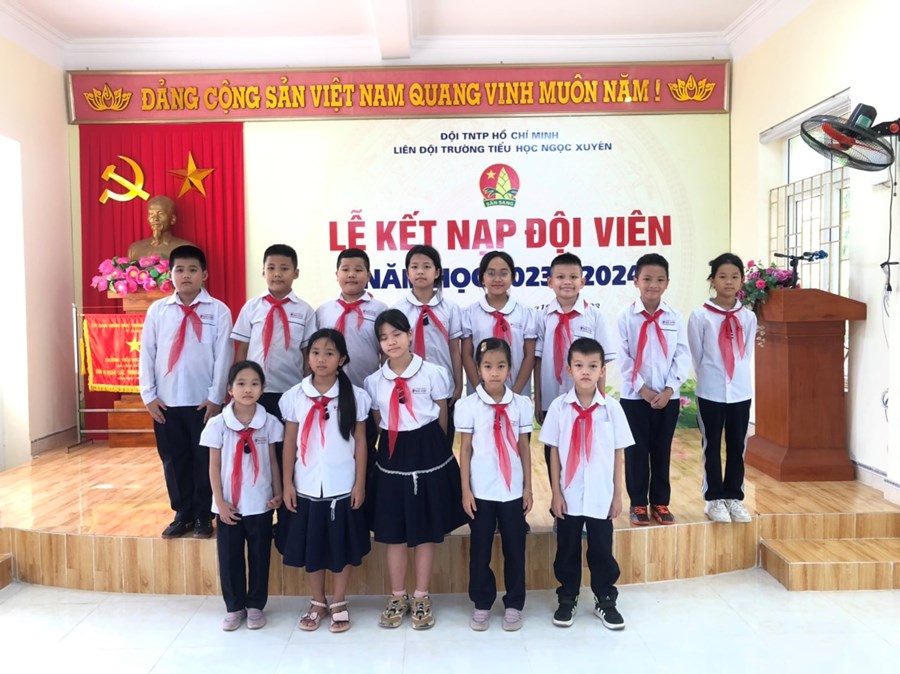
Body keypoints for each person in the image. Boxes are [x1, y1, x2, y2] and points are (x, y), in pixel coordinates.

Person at [364, 309, 467, 630]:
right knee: (393, 532)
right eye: (384, 337)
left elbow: (442, 415)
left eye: (397, 334)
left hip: (429, 451)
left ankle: (421, 595)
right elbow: (379, 420)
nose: (391, 342)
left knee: (424, 529)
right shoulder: (373, 382)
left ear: (409, 335)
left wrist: (435, 447)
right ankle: (398, 596)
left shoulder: (434, 373)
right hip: (393, 453)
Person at [277, 329, 371, 633]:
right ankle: (317, 601)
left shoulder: (356, 397)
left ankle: (339, 601)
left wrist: (359, 484)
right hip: (306, 485)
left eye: (330, 353)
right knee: (313, 547)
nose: (321, 359)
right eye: (315, 352)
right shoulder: (294, 396)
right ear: (307, 357)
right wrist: (287, 484)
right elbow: (289, 442)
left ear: (342, 359)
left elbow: (360, 441)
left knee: (340, 547)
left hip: (341, 485)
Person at [139, 245, 232, 539]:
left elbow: (224, 356)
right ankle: (183, 514)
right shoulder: (158, 311)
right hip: (166, 402)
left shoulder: (218, 311)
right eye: (179, 270)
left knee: (204, 459)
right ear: (171, 274)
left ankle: (204, 514)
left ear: (204, 274)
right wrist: (148, 396)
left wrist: (216, 397)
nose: (186, 275)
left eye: (193, 269)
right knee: (173, 459)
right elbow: (147, 353)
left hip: (203, 402)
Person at [540, 338, 633, 630]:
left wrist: (617, 495)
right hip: (569, 495)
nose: (585, 372)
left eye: (593, 366)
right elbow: (553, 452)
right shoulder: (559, 407)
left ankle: (605, 598)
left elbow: (618, 454)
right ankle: (567, 597)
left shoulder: (612, 409)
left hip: (601, 495)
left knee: (601, 549)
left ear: (602, 370)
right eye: (579, 365)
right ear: (569, 369)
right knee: (567, 548)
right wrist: (555, 493)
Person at [456, 338, 533, 632]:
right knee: (480, 550)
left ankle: (514, 603)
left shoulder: (521, 405)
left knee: (515, 549)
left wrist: (527, 488)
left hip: (512, 492)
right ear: (478, 369)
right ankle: (482, 602)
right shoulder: (468, 406)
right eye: (488, 366)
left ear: (510, 369)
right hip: (482, 491)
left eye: (501, 366)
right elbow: (465, 449)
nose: (494, 372)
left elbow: (524, 447)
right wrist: (466, 490)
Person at [201, 360, 283, 631]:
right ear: (229, 389)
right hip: (229, 506)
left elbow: (273, 461)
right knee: (230, 557)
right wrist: (219, 502)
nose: (248, 389)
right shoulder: (217, 424)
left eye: (254, 384)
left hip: (260, 503)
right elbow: (214, 466)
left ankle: (256, 605)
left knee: (260, 556)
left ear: (263, 389)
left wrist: (277, 492)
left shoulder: (269, 423)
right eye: (241, 383)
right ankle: (234, 607)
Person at [617, 253, 690, 526]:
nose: (653, 285)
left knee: (661, 450)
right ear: (636, 281)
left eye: (660, 280)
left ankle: (660, 502)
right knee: (636, 452)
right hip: (635, 398)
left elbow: (682, 355)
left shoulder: (674, 317)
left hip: (667, 397)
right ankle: (638, 503)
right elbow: (623, 358)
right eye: (647, 279)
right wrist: (643, 390)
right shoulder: (626, 317)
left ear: (667, 283)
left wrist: (669, 390)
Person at [231, 244, 317, 469]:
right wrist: (237, 385)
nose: (277, 274)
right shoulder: (251, 307)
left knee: (287, 447)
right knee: (257, 447)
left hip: (290, 391)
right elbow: (242, 349)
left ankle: (287, 489)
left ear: (296, 273)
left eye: (284, 268)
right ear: (263, 272)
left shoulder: (305, 311)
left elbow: (307, 355)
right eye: (271, 268)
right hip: (254, 393)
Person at [688, 253, 757, 524]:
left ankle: (734, 497)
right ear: (712, 280)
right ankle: (714, 498)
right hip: (711, 391)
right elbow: (697, 355)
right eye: (723, 276)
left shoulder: (748, 317)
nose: (729, 282)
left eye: (734, 277)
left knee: (738, 445)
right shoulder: (700, 316)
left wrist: (734, 378)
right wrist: (711, 378)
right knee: (712, 445)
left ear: (742, 280)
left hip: (740, 391)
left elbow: (746, 353)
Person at [534, 252, 616, 480]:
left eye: (573, 277)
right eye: (560, 277)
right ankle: (557, 498)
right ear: (550, 282)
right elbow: (538, 361)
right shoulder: (542, 317)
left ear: (583, 281)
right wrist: (539, 400)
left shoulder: (595, 316)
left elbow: (602, 363)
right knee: (553, 449)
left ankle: (583, 496)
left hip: (586, 399)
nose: (567, 282)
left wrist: (600, 399)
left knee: (586, 450)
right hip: (552, 398)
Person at [315, 248, 388, 482]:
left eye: (358, 270)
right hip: (331, 395)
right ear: (336, 274)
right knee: (336, 448)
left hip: (367, 393)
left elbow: (386, 353)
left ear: (369, 275)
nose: (351, 275)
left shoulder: (380, 310)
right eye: (345, 269)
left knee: (366, 448)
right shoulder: (323, 311)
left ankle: (365, 495)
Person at [392, 245, 463, 443]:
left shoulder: (450, 309)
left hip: (444, 386)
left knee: (442, 442)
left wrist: (458, 385)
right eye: (414, 267)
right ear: (407, 273)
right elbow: (393, 352)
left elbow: (454, 350)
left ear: (437, 272)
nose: (420, 271)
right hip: (410, 387)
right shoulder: (398, 310)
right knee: (414, 442)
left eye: (426, 266)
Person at [461, 250, 536, 396]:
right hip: (480, 393)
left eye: (503, 273)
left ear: (512, 278)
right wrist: (480, 390)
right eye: (491, 273)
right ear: (482, 278)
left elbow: (529, 356)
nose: (497, 279)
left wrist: (515, 393)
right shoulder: (469, 313)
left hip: (517, 392)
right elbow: (467, 355)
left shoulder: (526, 313)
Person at [127, 195, 194, 260]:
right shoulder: (135, 249)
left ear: (173, 219)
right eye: (151, 214)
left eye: (161, 214)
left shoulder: (187, 249)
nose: (155, 219)